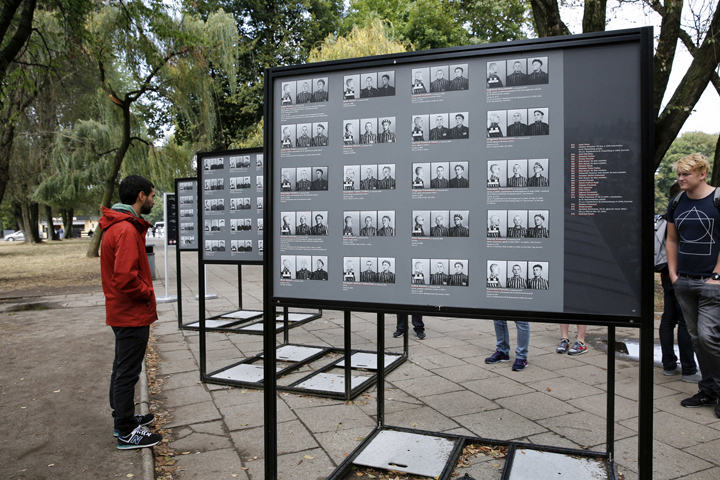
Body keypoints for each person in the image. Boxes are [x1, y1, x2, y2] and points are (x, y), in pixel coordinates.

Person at [99, 175, 162, 449]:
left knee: (121, 367)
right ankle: (125, 430)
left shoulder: (117, 226)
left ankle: (121, 418)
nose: (152, 200)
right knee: (127, 371)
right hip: (131, 313)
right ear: (140, 196)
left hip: (123, 312)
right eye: (151, 195)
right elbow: (125, 278)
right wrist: (146, 293)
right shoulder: (125, 230)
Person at [666, 153, 720, 414]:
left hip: (712, 282)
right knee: (696, 339)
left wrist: (717, 276)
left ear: (702, 174)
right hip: (684, 281)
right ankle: (708, 390)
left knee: (710, 337)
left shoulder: (717, 199)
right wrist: (674, 275)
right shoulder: (677, 202)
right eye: (679, 174)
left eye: (686, 174)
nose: (681, 178)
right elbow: (672, 239)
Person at [657, 182, 701, 381]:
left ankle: (668, 364)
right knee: (684, 320)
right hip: (682, 273)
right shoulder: (683, 217)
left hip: (666, 273)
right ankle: (689, 369)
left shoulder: (665, 218)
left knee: (668, 318)